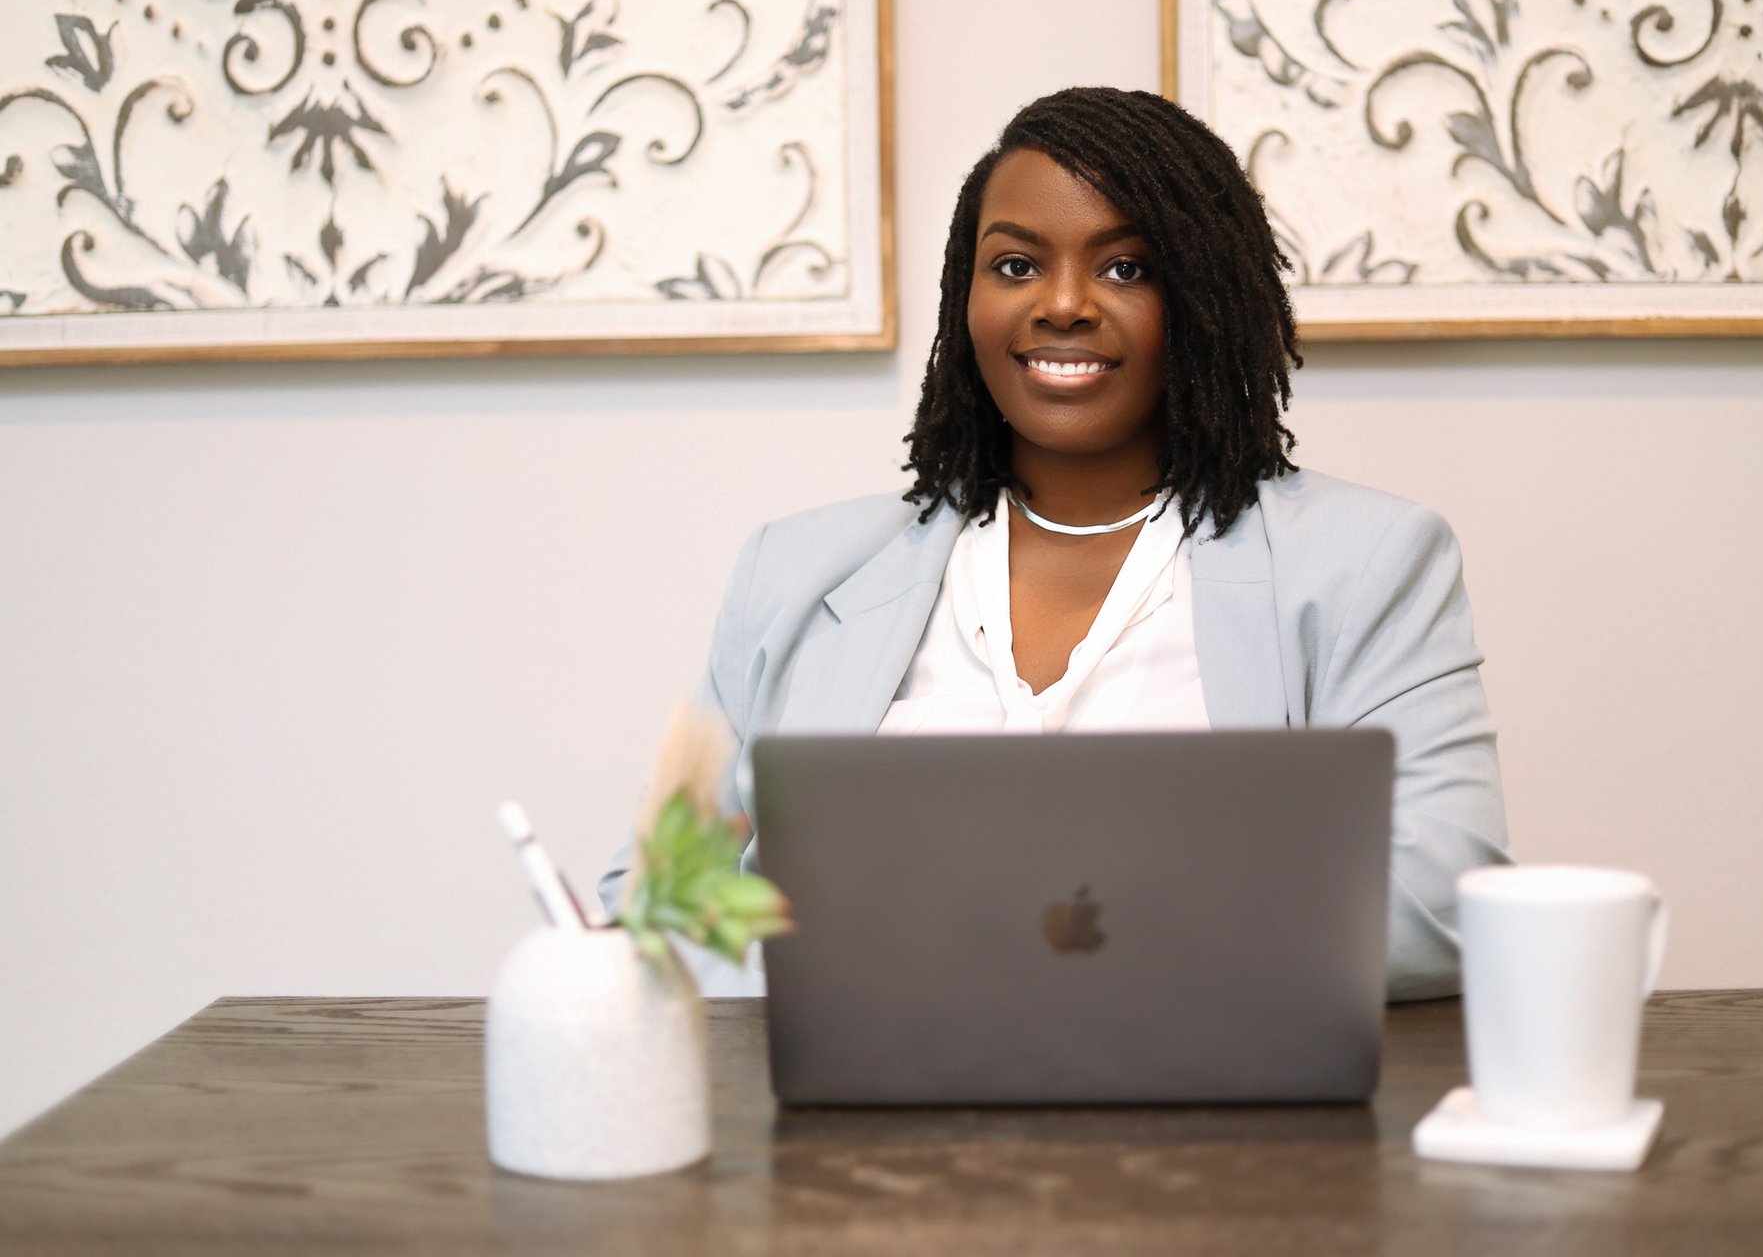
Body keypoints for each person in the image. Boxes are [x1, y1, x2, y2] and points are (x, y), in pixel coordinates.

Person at [599, 86, 1509, 1001]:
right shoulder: (792, 570)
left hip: (1211, 1117)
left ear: (1202, 295)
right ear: (969, 295)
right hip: (859, 1118)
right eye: (1016, 265)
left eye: (1125, 269)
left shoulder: (1371, 561)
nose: (1064, 304)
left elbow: (1444, 903)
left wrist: (1060, 947)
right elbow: (655, 903)